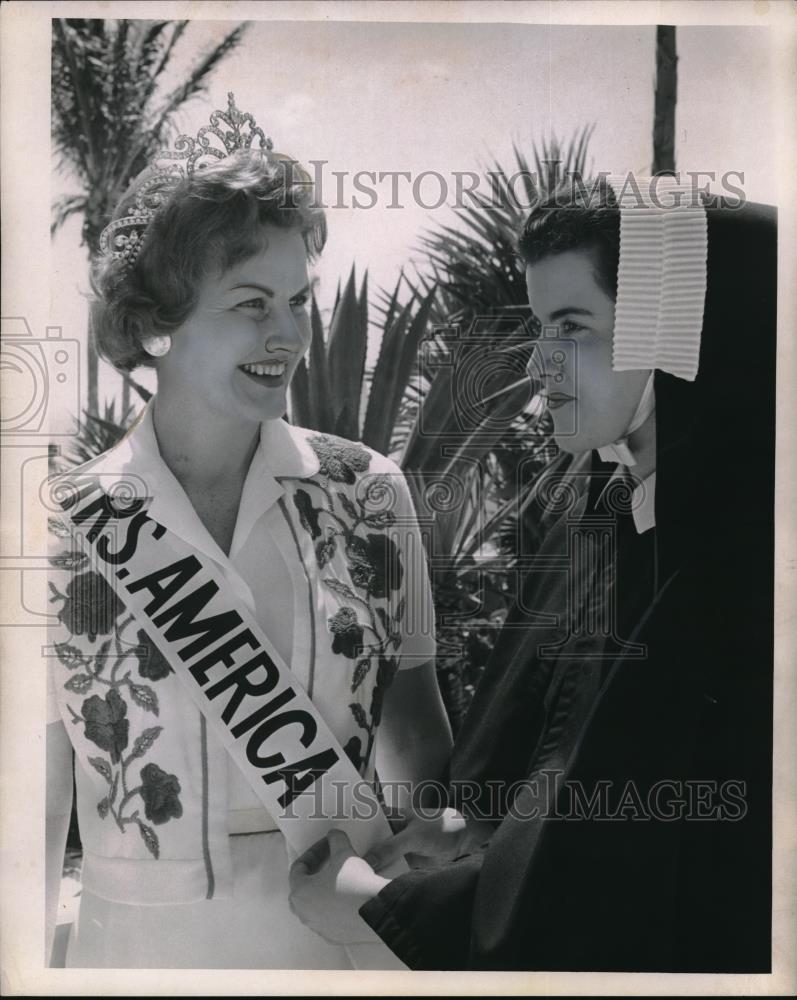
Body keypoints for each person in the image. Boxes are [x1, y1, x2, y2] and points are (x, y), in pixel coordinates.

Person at [289, 175, 776, 972]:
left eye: (572, 325)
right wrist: (466, 818)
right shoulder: (600, 512)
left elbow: (640, 878)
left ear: (675, 333)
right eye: (538, 325)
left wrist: (376, 910)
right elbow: (541, 756)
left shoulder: (748, 563)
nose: (539, 361)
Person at [44, 95, 451, 969]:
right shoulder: (59, 532)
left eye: (297, 301)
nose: (289, 335)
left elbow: (420, 753)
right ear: (157, 323)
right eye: (250, 304)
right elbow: (26, 814)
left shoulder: (369, 493)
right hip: (140, 952)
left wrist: (397, 887)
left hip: (339, 940)